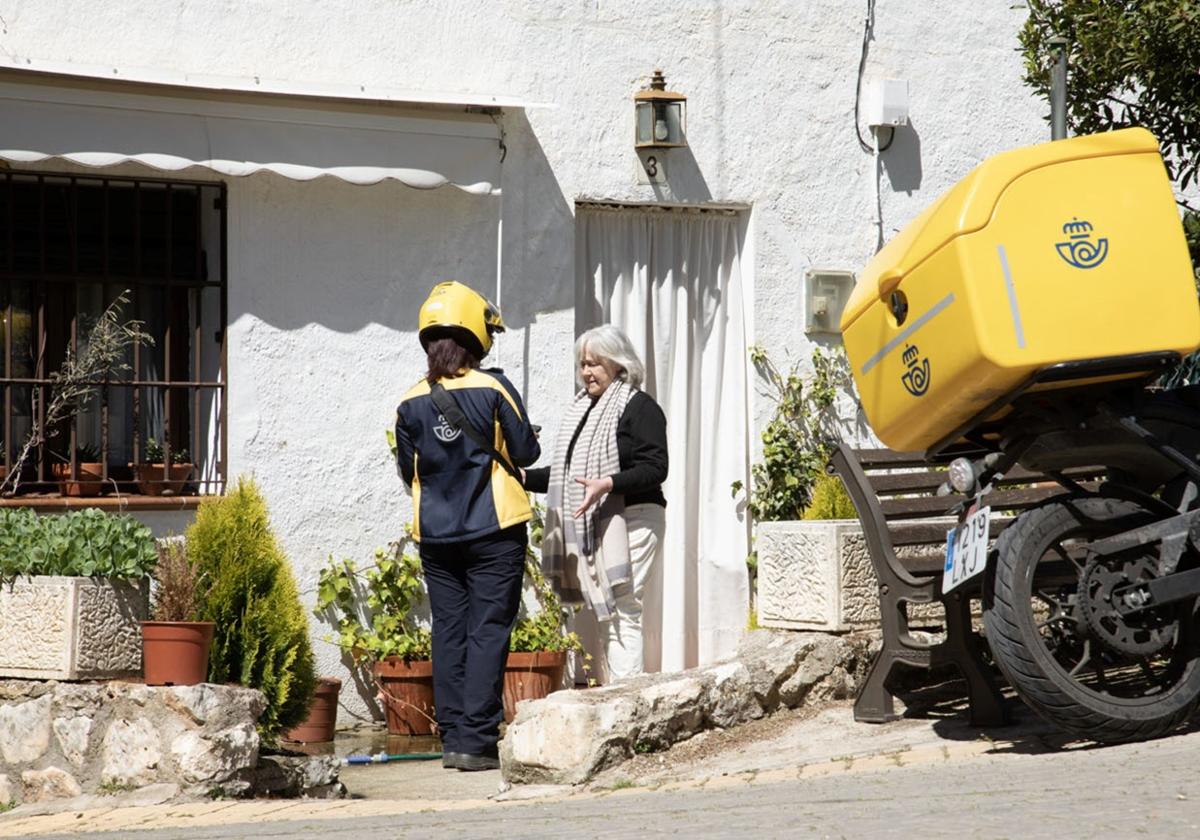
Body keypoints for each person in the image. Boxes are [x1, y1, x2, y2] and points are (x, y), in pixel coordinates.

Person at [394, 281, 540, 772]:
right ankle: (477, 742)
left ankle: (455, 737)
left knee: (449, 629)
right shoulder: (495, 387)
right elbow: (526, 452)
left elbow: (407, 469)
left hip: (436, 533)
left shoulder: (410, 401)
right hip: (494, 528)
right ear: (477, 335)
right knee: (488, 628)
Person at [523, 324, 668, 681]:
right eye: (582, 364)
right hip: (601, 519)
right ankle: (616, 691)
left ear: (619, 364)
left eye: (595, 364)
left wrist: (608, 483)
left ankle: (625, 699)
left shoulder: (640, 407)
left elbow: (656, 467)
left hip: (635, 517)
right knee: (608, 607)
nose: (586, 372)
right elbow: (567, 473)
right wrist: (523, 477)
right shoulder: (584, 411)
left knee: (623, 604)